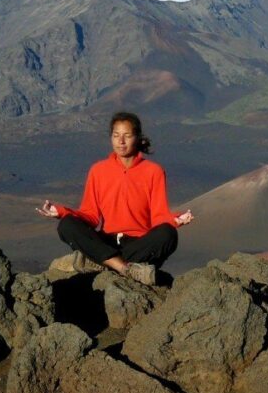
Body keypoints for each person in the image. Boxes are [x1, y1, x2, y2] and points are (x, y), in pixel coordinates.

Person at [37, 111, 193, 284]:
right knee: (67, 224)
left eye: (127, 136)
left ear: (138, 138)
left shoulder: (154, 171)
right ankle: (125, 268)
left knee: (168, 234)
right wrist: (60, 212)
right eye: (116, 135)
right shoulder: (98, 170)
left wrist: (175, 220)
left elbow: (158, 216)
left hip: (139, 243)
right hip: (107, 240)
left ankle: (103, 262)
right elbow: (91, 215)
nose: (121, 141)